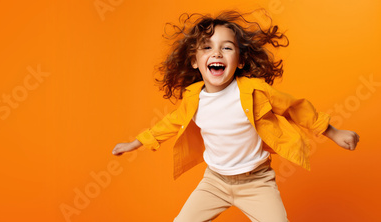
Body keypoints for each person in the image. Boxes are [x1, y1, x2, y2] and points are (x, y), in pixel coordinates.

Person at [111, 10, 359, 222]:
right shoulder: (193, 99)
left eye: (226, 48)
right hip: (214, 183)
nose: (217, 53)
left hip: (257, 183)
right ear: (195, 62)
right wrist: (136, 143)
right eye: (207, 48)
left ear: (239, 61)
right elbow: (168, 124)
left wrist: (334, 132)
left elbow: (295, 108)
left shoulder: (255, 92)